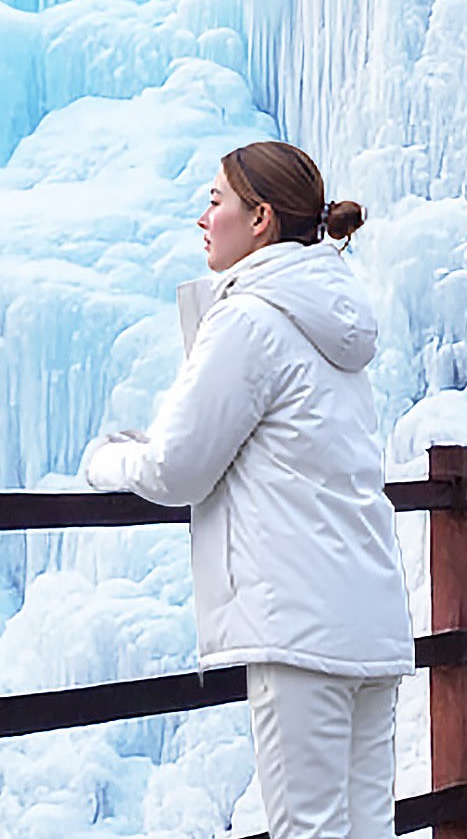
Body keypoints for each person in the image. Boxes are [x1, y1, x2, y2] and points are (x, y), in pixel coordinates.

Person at [80, 140, 414, 839]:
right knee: (366, 829)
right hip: (369, 614)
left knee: (308, 829)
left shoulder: (250, 318)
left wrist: (108, 461)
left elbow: (176, 470)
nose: (203, 217)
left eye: (215, 201)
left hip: (298, 623)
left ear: (259, 217)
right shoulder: (334, 319)